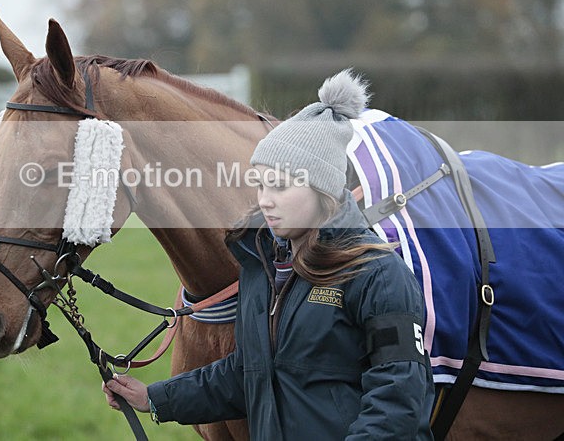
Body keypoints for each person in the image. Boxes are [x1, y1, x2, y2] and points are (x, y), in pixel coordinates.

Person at [103, 70, 435, 439]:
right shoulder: (261, 271)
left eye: (278, 185)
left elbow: (399, 402)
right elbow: (247, 375)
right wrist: (154, 398)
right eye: (260, 184)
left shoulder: (380, 277)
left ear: (321, 189)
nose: (264, 199)